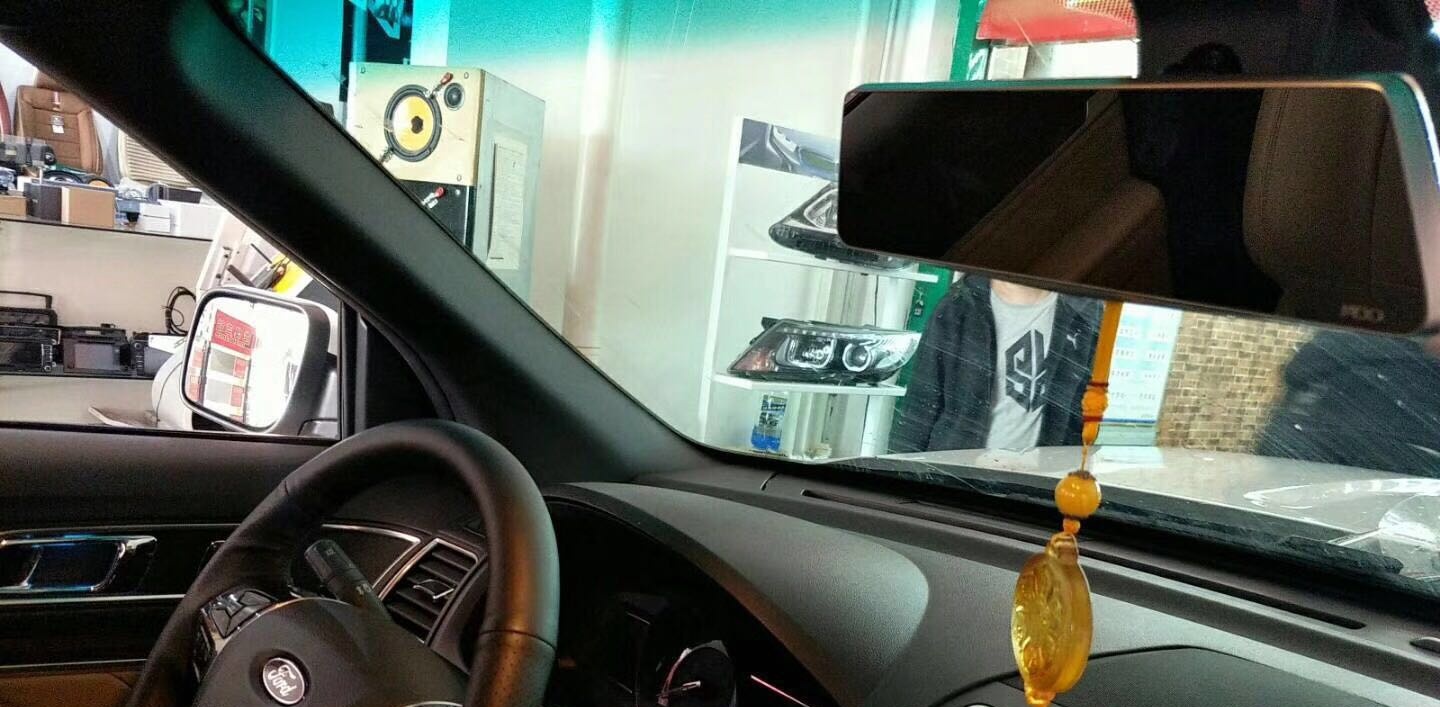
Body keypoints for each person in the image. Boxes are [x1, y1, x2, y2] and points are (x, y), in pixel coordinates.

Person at [890, 275, 1102, 453]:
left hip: (1043, 480)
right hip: (956, 474)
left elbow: (1083, 412)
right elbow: (919, 407)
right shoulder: (957, 307)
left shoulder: (1085, 315)